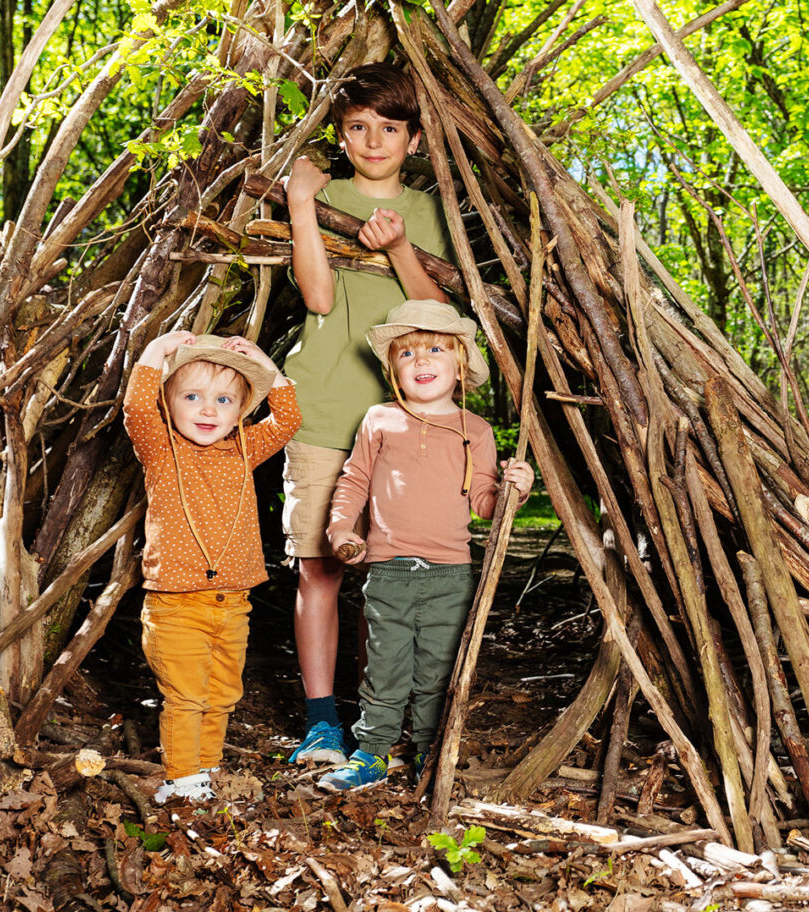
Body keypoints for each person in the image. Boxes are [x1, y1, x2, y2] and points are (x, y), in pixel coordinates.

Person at [283, 62, 454, 764]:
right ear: (341, 134)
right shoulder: (324, 194)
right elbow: (319, 298)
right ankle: (321, 720)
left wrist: (399, 248)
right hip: (324, 406)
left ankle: (374, 721)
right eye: (358, 127)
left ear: (414, 139)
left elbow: (436, 314)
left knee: (389, 576)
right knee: (319, 567)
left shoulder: (430, 213)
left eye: (390, 128)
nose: (374, 140)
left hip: (405, 421)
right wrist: (301, 204)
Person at [319, 300, 534, 790]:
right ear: (392, 367)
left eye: (434, 349)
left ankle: (428, 752)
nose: (420, 361)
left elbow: (484, 501)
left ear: (459, 363)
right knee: (384, 665)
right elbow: (354, 480)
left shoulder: (475, 430)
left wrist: (511, 492)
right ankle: (371, 751)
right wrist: (340, 529)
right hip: (389, 568)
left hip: (450, 573)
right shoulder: (379, 420)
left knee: (438, 668)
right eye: (407, 353)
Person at [123, 332, 301, 803]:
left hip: (235, 603)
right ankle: (182, 781)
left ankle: (206, 768)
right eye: (192, 397)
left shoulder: (245, 449)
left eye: (223, 400)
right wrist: (154, 353)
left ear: (240, 410)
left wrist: (265, 362)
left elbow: (289, 418)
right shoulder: (162, 449)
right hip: (176, 605)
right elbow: (137, 410)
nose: (208, 410)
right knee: (185, 697)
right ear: (168, 402)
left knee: (223, 693)